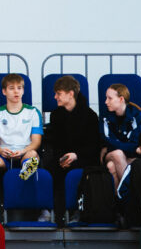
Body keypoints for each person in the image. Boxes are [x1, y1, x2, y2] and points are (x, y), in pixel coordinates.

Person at [41, 76, 104, 225]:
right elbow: (55, 143)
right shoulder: (56, 115)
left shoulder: (90, 116)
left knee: (80, 171)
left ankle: (78, 211)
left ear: (70, 94)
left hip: (83, 158)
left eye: (59, 93)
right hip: (62, 158)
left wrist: (76, 156)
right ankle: (50, 211)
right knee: (48, 169)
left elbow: (93, 146)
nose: (55, 97)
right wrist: (62, 158)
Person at [0, 73, 42, 179]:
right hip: (4, 154)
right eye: (11, 88)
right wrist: (0, 150)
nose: (16, 91)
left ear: (23, 91)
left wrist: (22, 151)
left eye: (19, 88)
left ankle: (27, 169)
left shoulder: (33, 112)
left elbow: (36, 142)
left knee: (33, 154)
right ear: (4, 91)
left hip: (25, 152)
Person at [101, 82, 141, 190]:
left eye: (110, 98)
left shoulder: (137, 116)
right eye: (106, 98)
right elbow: (108, 142)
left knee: (111, 166)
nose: (106, 102)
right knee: (118, 154)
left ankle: (119, 198)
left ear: (121, 99)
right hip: (114, 155)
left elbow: (136, 142)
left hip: (132, 157)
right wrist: (132, 148)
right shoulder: (105, 116)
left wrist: (129, 146)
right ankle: (131, 193)